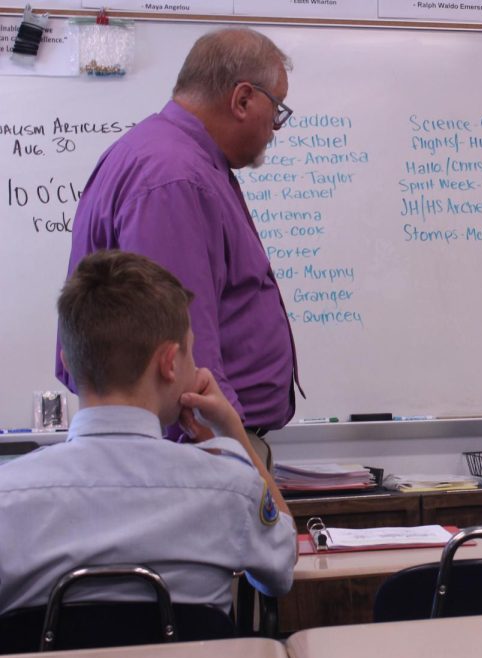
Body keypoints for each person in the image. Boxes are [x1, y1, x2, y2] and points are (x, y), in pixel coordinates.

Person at [0, 250, 295, 616]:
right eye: (191, 351)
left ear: (68, 363)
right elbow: (280, 571)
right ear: (170, 363)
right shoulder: (230, 488)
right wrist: (232, 431)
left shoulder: (7, 498)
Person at [58, 27, 300, 464]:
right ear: (242, 99)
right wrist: (223, 456)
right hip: (197, 457)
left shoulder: (171, 159)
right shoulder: (175, 178)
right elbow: (180, 348)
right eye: (276, 109)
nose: (275, 129)